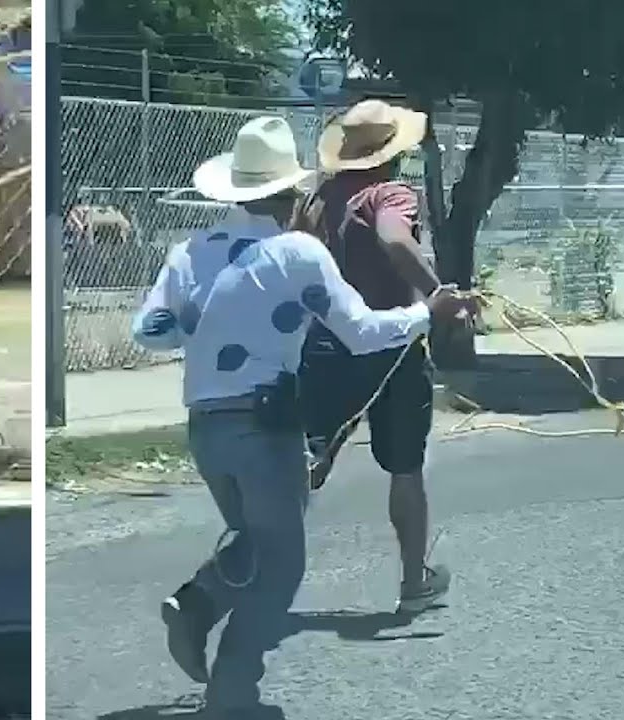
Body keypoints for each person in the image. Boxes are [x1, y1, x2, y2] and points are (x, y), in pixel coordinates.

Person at [130, 115, 476, 718]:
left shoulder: (192, 252)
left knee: (256, 543)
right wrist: (429, 313)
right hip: (265, 425)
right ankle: (233, 692)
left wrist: (207, 322)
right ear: (289, 191)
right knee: (281, 567)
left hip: (205, 426)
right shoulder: (296, 255)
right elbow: (364, 332)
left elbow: (150, 330)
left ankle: (198, 604)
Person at [293, 98, 460, 615]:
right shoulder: (389, 193)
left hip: (324, 346)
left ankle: (238, 569)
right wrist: (440, 297)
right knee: (405, 465)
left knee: (305, 463)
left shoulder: (316, 201)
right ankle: (414, 580)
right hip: (391, 344)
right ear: (392, 151)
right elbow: (394, 238)